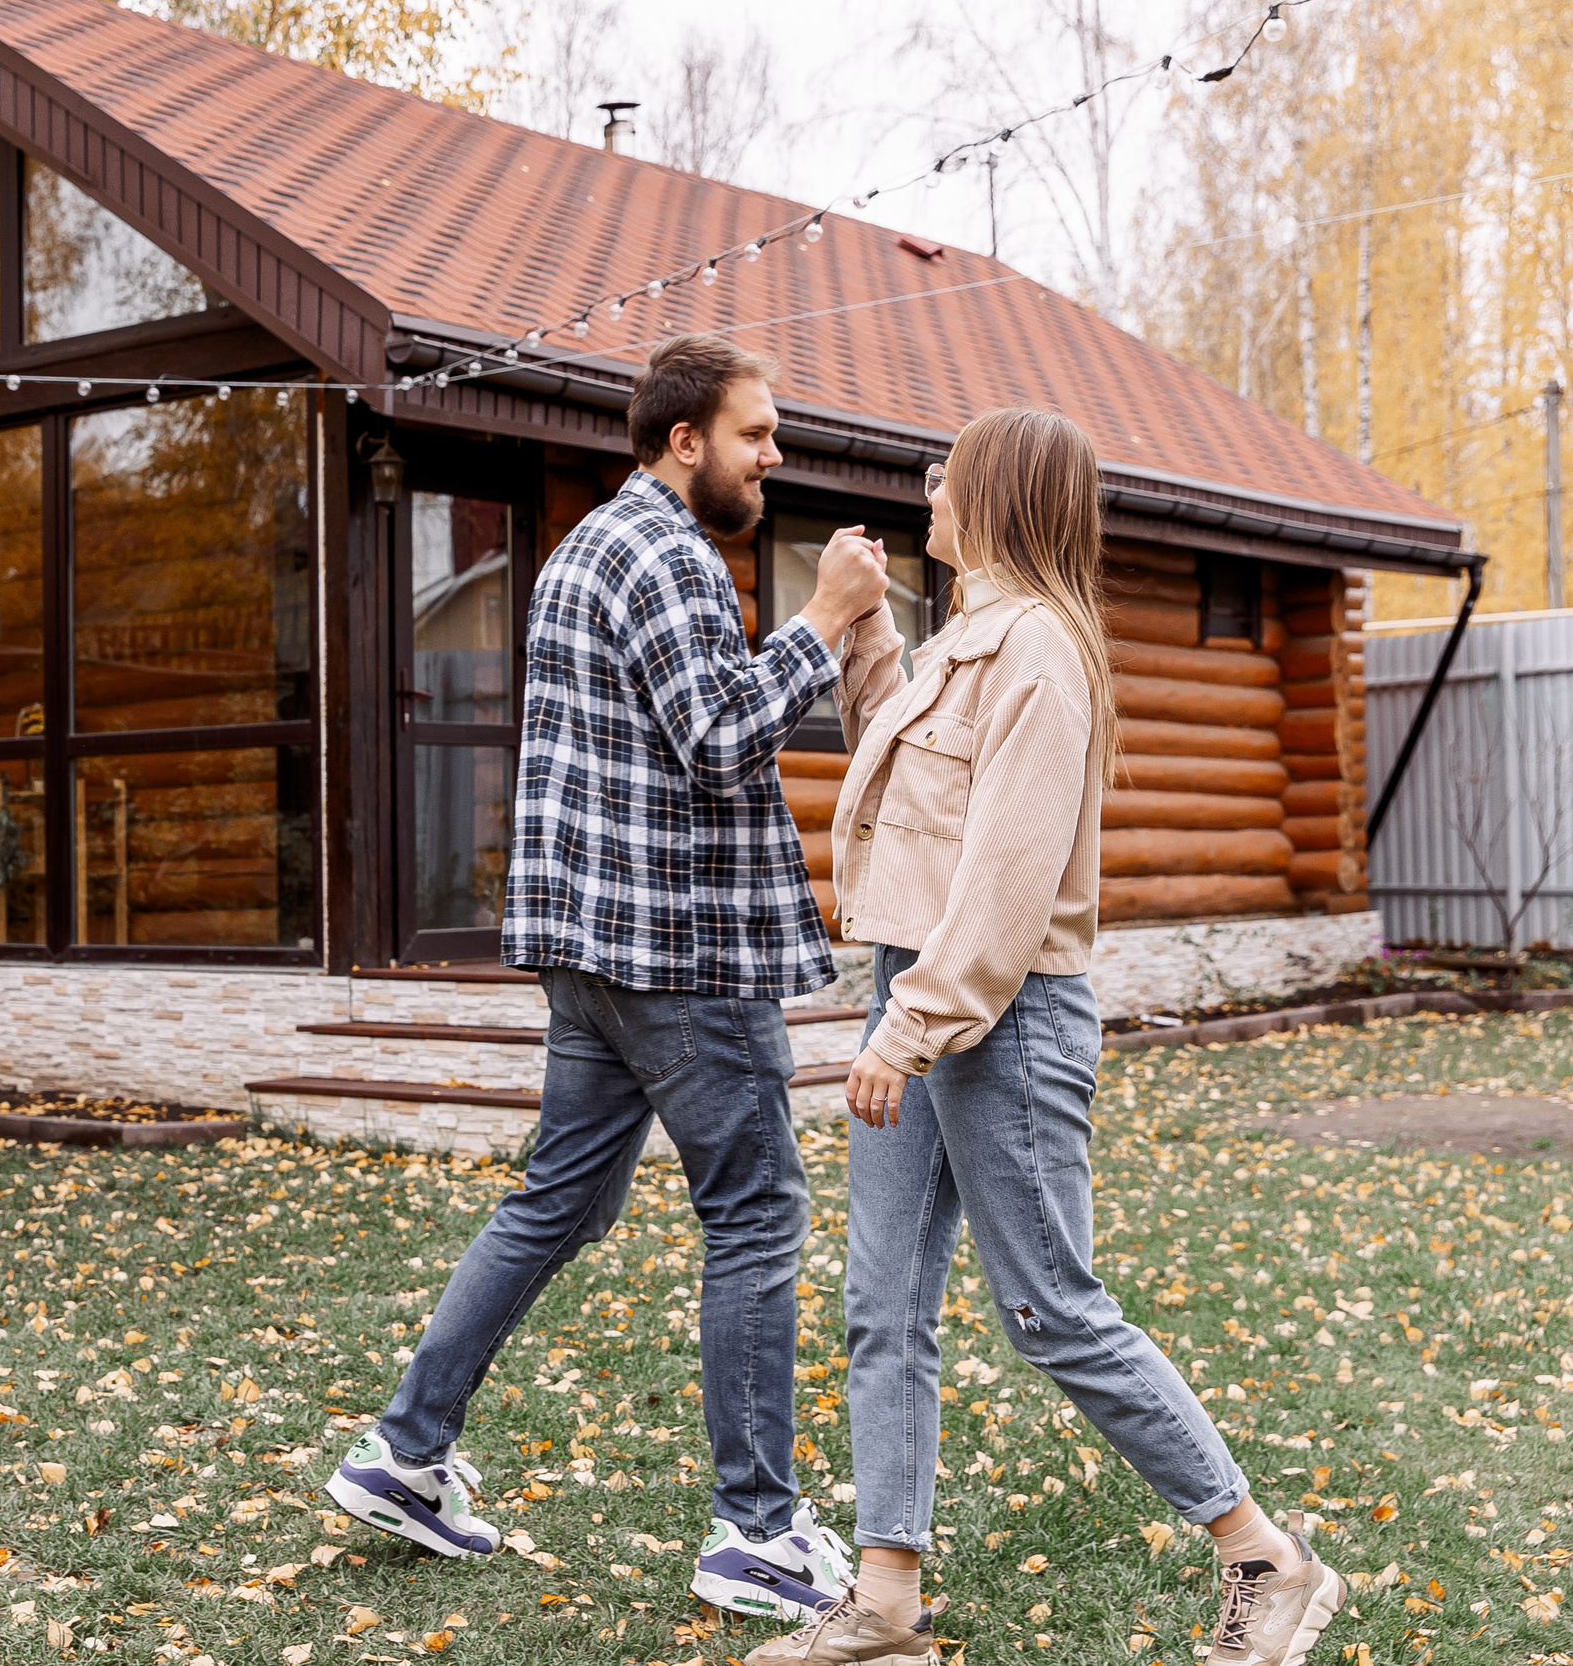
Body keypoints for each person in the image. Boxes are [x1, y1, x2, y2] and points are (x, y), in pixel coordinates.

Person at [747, 408, 1344, 1666]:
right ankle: (886, 1607)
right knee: (884, 1303)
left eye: (943, 477)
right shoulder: (972, 639)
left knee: (1051, 1310)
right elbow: (911, 806)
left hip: (998, 1018)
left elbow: (1007, 884)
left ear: (997, 495)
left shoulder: (1040, 653)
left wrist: (908, 1028)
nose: (925, 493)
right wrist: (860, 635)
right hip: (925, 993)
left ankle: (1264, 1555)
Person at [329, 333, 890, 1623]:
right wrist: (827, 618)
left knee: (558, 1204)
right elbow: (720, 735)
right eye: (756, 436)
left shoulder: (588, 546)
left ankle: (406, 1453)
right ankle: (756, 1532)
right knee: (753, 1215)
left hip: (590, 953)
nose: (773, 457)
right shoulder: (668, 557)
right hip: (677, 958)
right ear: (684, 440)